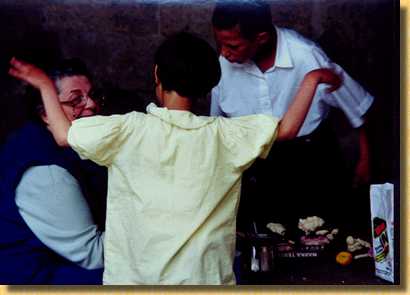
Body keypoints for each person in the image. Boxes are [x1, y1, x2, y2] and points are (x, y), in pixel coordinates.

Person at [8, 32, 340, 285]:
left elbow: (64, 136)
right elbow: (287, 129)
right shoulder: (226, 136)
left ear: (157, 76)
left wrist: (43, 85)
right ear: (209, 85)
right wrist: (312, 79)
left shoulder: (126, 130)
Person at [211, 0, 374, 231]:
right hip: (258, 169)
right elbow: (215, 124)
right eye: (220, 44)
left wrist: (365, 159)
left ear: (261, 38)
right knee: (269, 237)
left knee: (321, 235)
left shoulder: (306, 56)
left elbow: (358, 106)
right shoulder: (224, 64)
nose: (224, 53)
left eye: (233, 46)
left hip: (312, 161)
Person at [0, 58, 106, 284]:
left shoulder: (61, 145)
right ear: (46, 113)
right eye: (76, 100)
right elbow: (93, 255)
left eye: (93, 96)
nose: (91, 105)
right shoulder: (47, 172)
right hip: (30, 280)